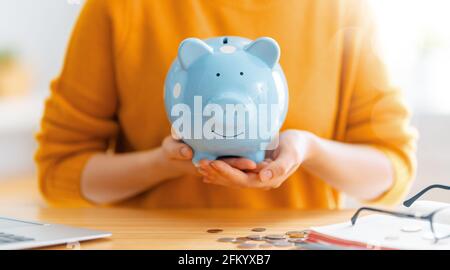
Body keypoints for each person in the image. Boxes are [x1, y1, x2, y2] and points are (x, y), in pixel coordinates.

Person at [35, 0, 417, 209]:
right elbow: (60, 173)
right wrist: (163, 164)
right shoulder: (118, 8)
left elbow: (391, 169)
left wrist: (308, 150)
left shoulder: (343, 9)